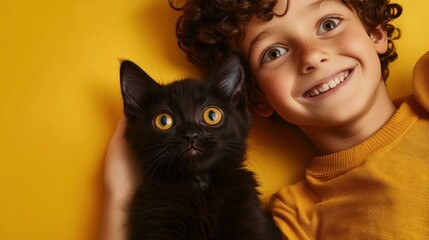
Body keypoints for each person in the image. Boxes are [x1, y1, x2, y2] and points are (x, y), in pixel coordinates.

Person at [100, 0, 429, 239]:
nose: (312, 55)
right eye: (274, 52)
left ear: (375, 32)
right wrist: (121, 193)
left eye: (328, 24)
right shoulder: (295, 214)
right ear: (256, 98)